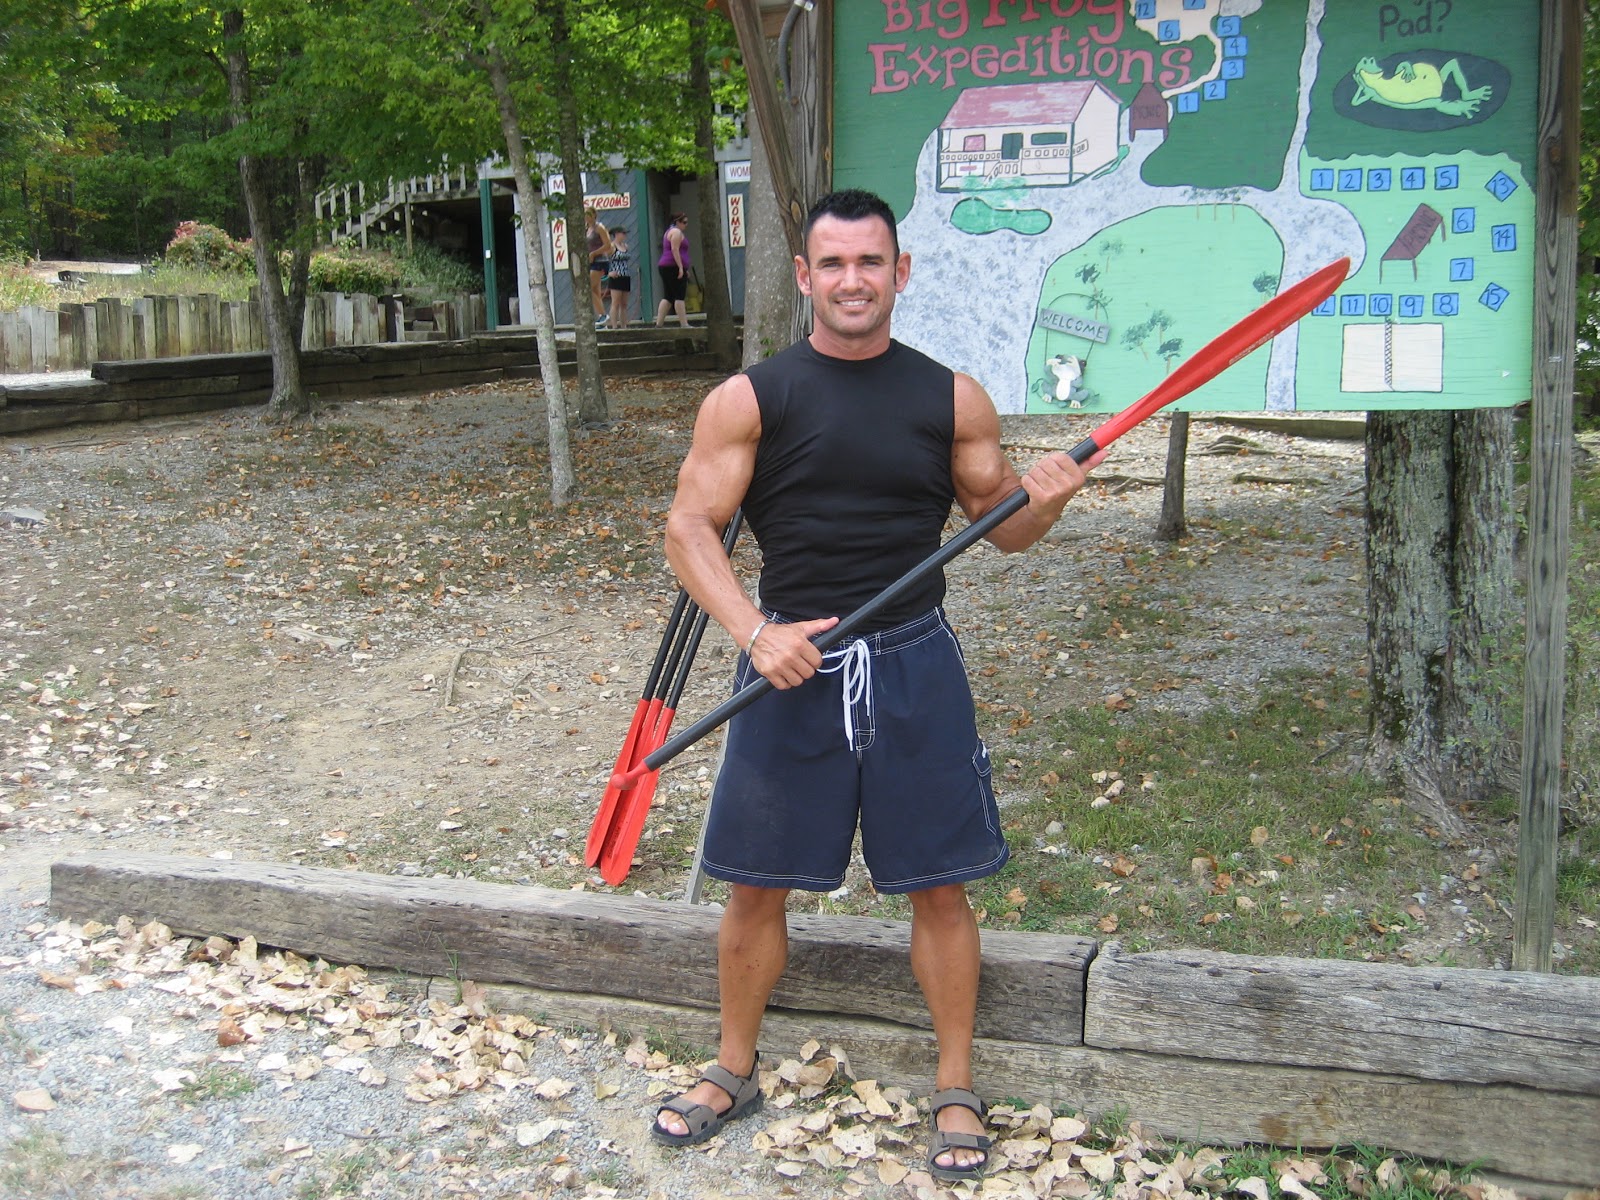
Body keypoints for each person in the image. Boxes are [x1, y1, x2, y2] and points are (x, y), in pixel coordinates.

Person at [650, 190, 1104, 1181]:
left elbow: (1003, 526)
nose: (851, 280)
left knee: (937, 886)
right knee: (754, 884)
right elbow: (690, 528)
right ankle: (733, 1066)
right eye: (832, 264)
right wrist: (753, 630)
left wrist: (1048, 501)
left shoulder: (950, 398)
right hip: (789, 666)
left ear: (900, 273)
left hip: (911, 662)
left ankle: (953, 1084)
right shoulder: (750, 398)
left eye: (870, 262)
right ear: (806, 277)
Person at [655, 212, 691, 329]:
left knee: (668, 296)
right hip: (672, 266)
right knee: (679, 295)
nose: (686, 225)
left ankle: (659, 324)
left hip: (666, 266)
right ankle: (684, 323)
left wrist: (685, 269)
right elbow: (675, 249)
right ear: (677, 222)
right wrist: (680, 267)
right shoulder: (676, 232)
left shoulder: (669, 231)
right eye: (684, 222)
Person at [585, 207, 612, 325]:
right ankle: (602, 317)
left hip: (600, 261)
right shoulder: (587, 229)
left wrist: (594, 253)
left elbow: (608, 245)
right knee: (595, 290)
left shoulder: (599, 228)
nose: (586, 217)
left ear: (594, 215)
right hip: (591, 262)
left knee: (587, 287)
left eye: (588, 214)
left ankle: (604, 315)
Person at [606, 226, 632, 329]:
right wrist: (608, 273)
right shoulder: (611, 247)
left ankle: (624, 325)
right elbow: (604, 260)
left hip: (625, 276)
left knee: (624, 303)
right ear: (616, 234)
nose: (625, 235)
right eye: (623, 233)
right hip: (616, 277)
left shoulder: (625, 246)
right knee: (615, 302)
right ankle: (614, 326)